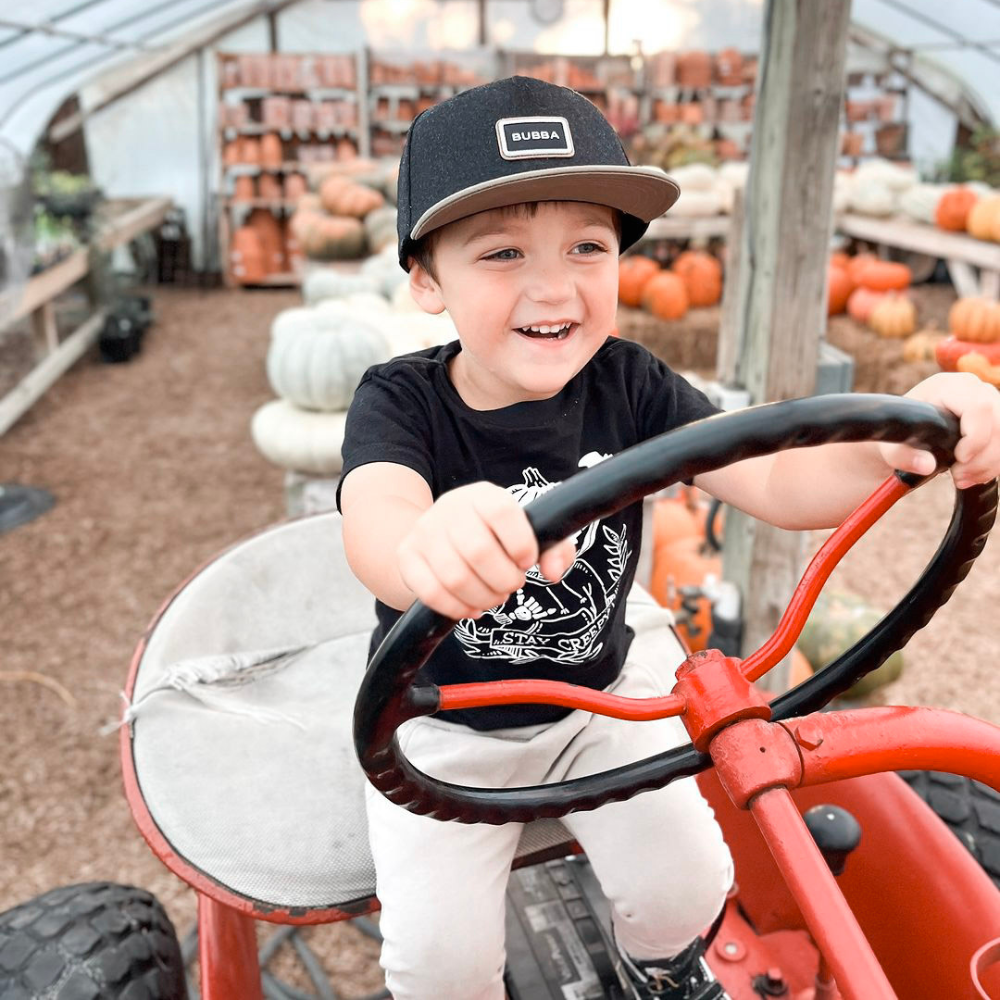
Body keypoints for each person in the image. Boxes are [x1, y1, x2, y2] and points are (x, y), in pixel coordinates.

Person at [337, 76, 1000, 1000]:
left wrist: (888, 437)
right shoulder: (399, 400)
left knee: (692, 880)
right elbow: (376, 514)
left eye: (587, 245)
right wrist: (429, 542)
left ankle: (659, 967)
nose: (554, 284)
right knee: (436, 966)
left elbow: (771, 475)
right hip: (441, 727)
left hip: (599, 704)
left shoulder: (631, 383)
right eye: (499, 252)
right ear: (424, 280)